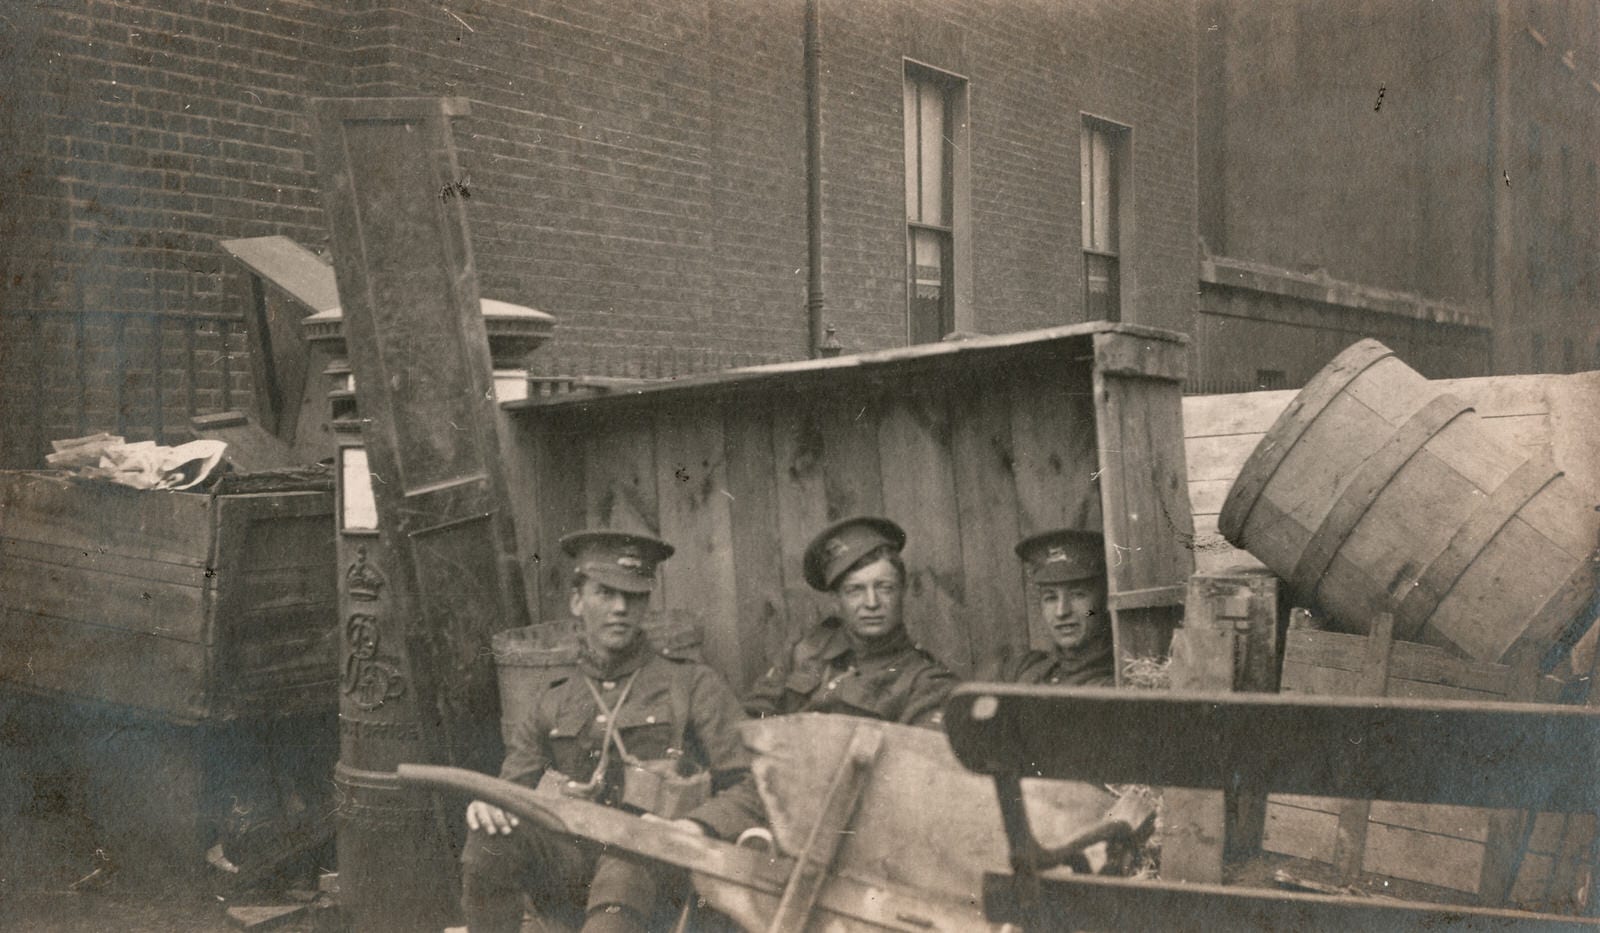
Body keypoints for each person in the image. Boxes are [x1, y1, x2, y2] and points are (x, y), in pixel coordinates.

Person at [460, 530, 764, 933]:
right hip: (571, 869)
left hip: (660, 872)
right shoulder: (553, 701)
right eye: (605, 593)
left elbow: (755, 786)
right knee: (489, 838)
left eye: (634, 596)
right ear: (576, 601)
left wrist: (692, 826)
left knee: (627, 857)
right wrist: (491, 804)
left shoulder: (692, 686)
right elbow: (512, 791)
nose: (621, 608)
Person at [744, 516, 957, 727]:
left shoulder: (927, 682)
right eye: (855, 590)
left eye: (884, 587)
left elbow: (918, 758)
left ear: (902, 591)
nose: (872, 603)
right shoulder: (804, 651)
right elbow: (753, 718)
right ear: (836, 601)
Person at [980, 528, 1116, 686]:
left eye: (1077, 594)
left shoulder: (1116, 680)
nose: (1061, 612)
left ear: (1104, 601)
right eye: (1050, 598)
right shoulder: (1026, 670)